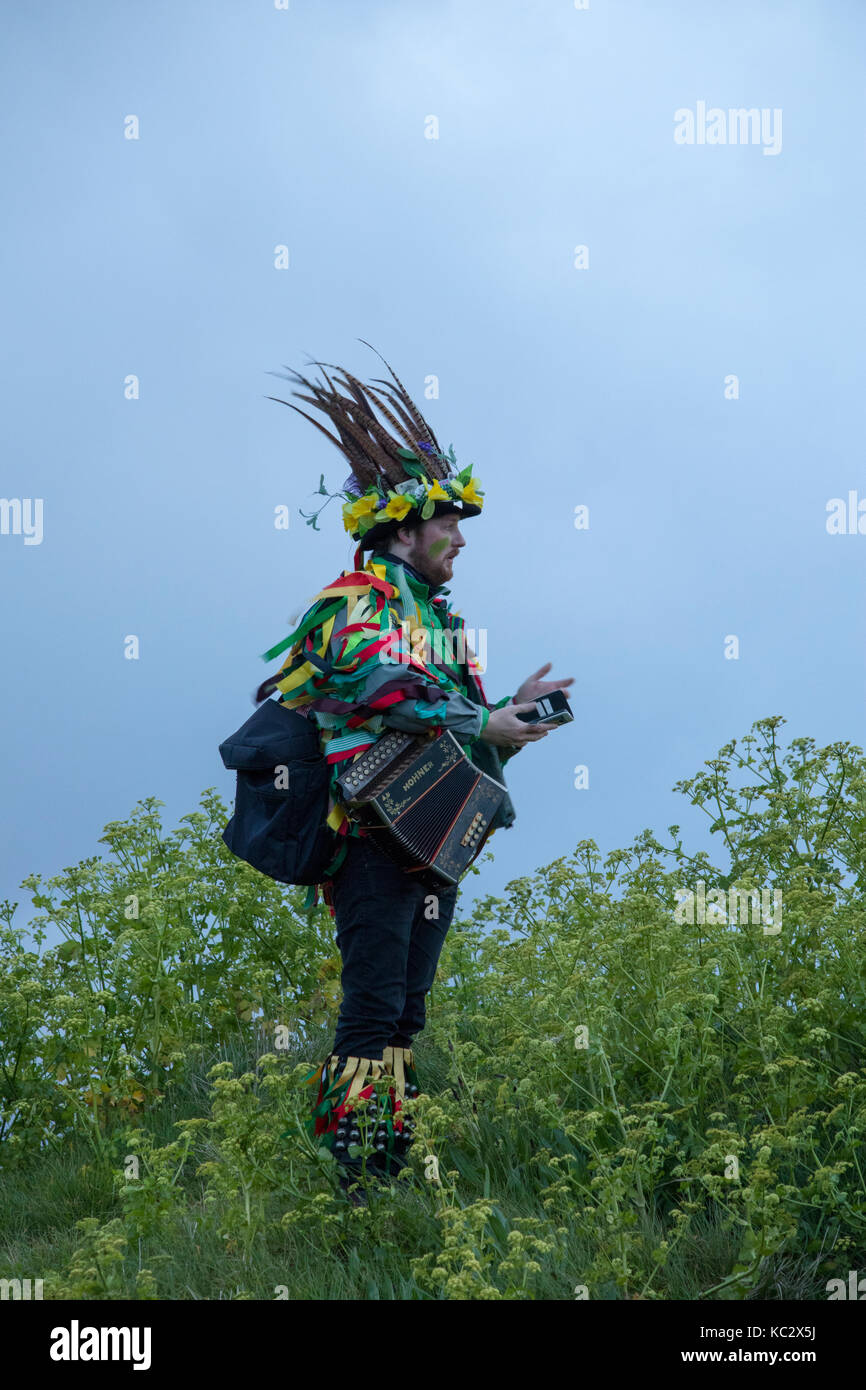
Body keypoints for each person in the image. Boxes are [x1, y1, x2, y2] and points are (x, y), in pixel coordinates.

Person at [255, 345, 573, 1198]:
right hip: (366, 839)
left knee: (406, 1012)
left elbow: (447, 726)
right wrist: (481, 715)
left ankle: (389, 1158)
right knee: (369, 1009)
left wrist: (508, 715)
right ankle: (351, 1175)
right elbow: (381, 688)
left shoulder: (444, 622)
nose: (461, 539)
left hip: (429, 842)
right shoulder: (349, 603)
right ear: (402, 528)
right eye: (449, 524)